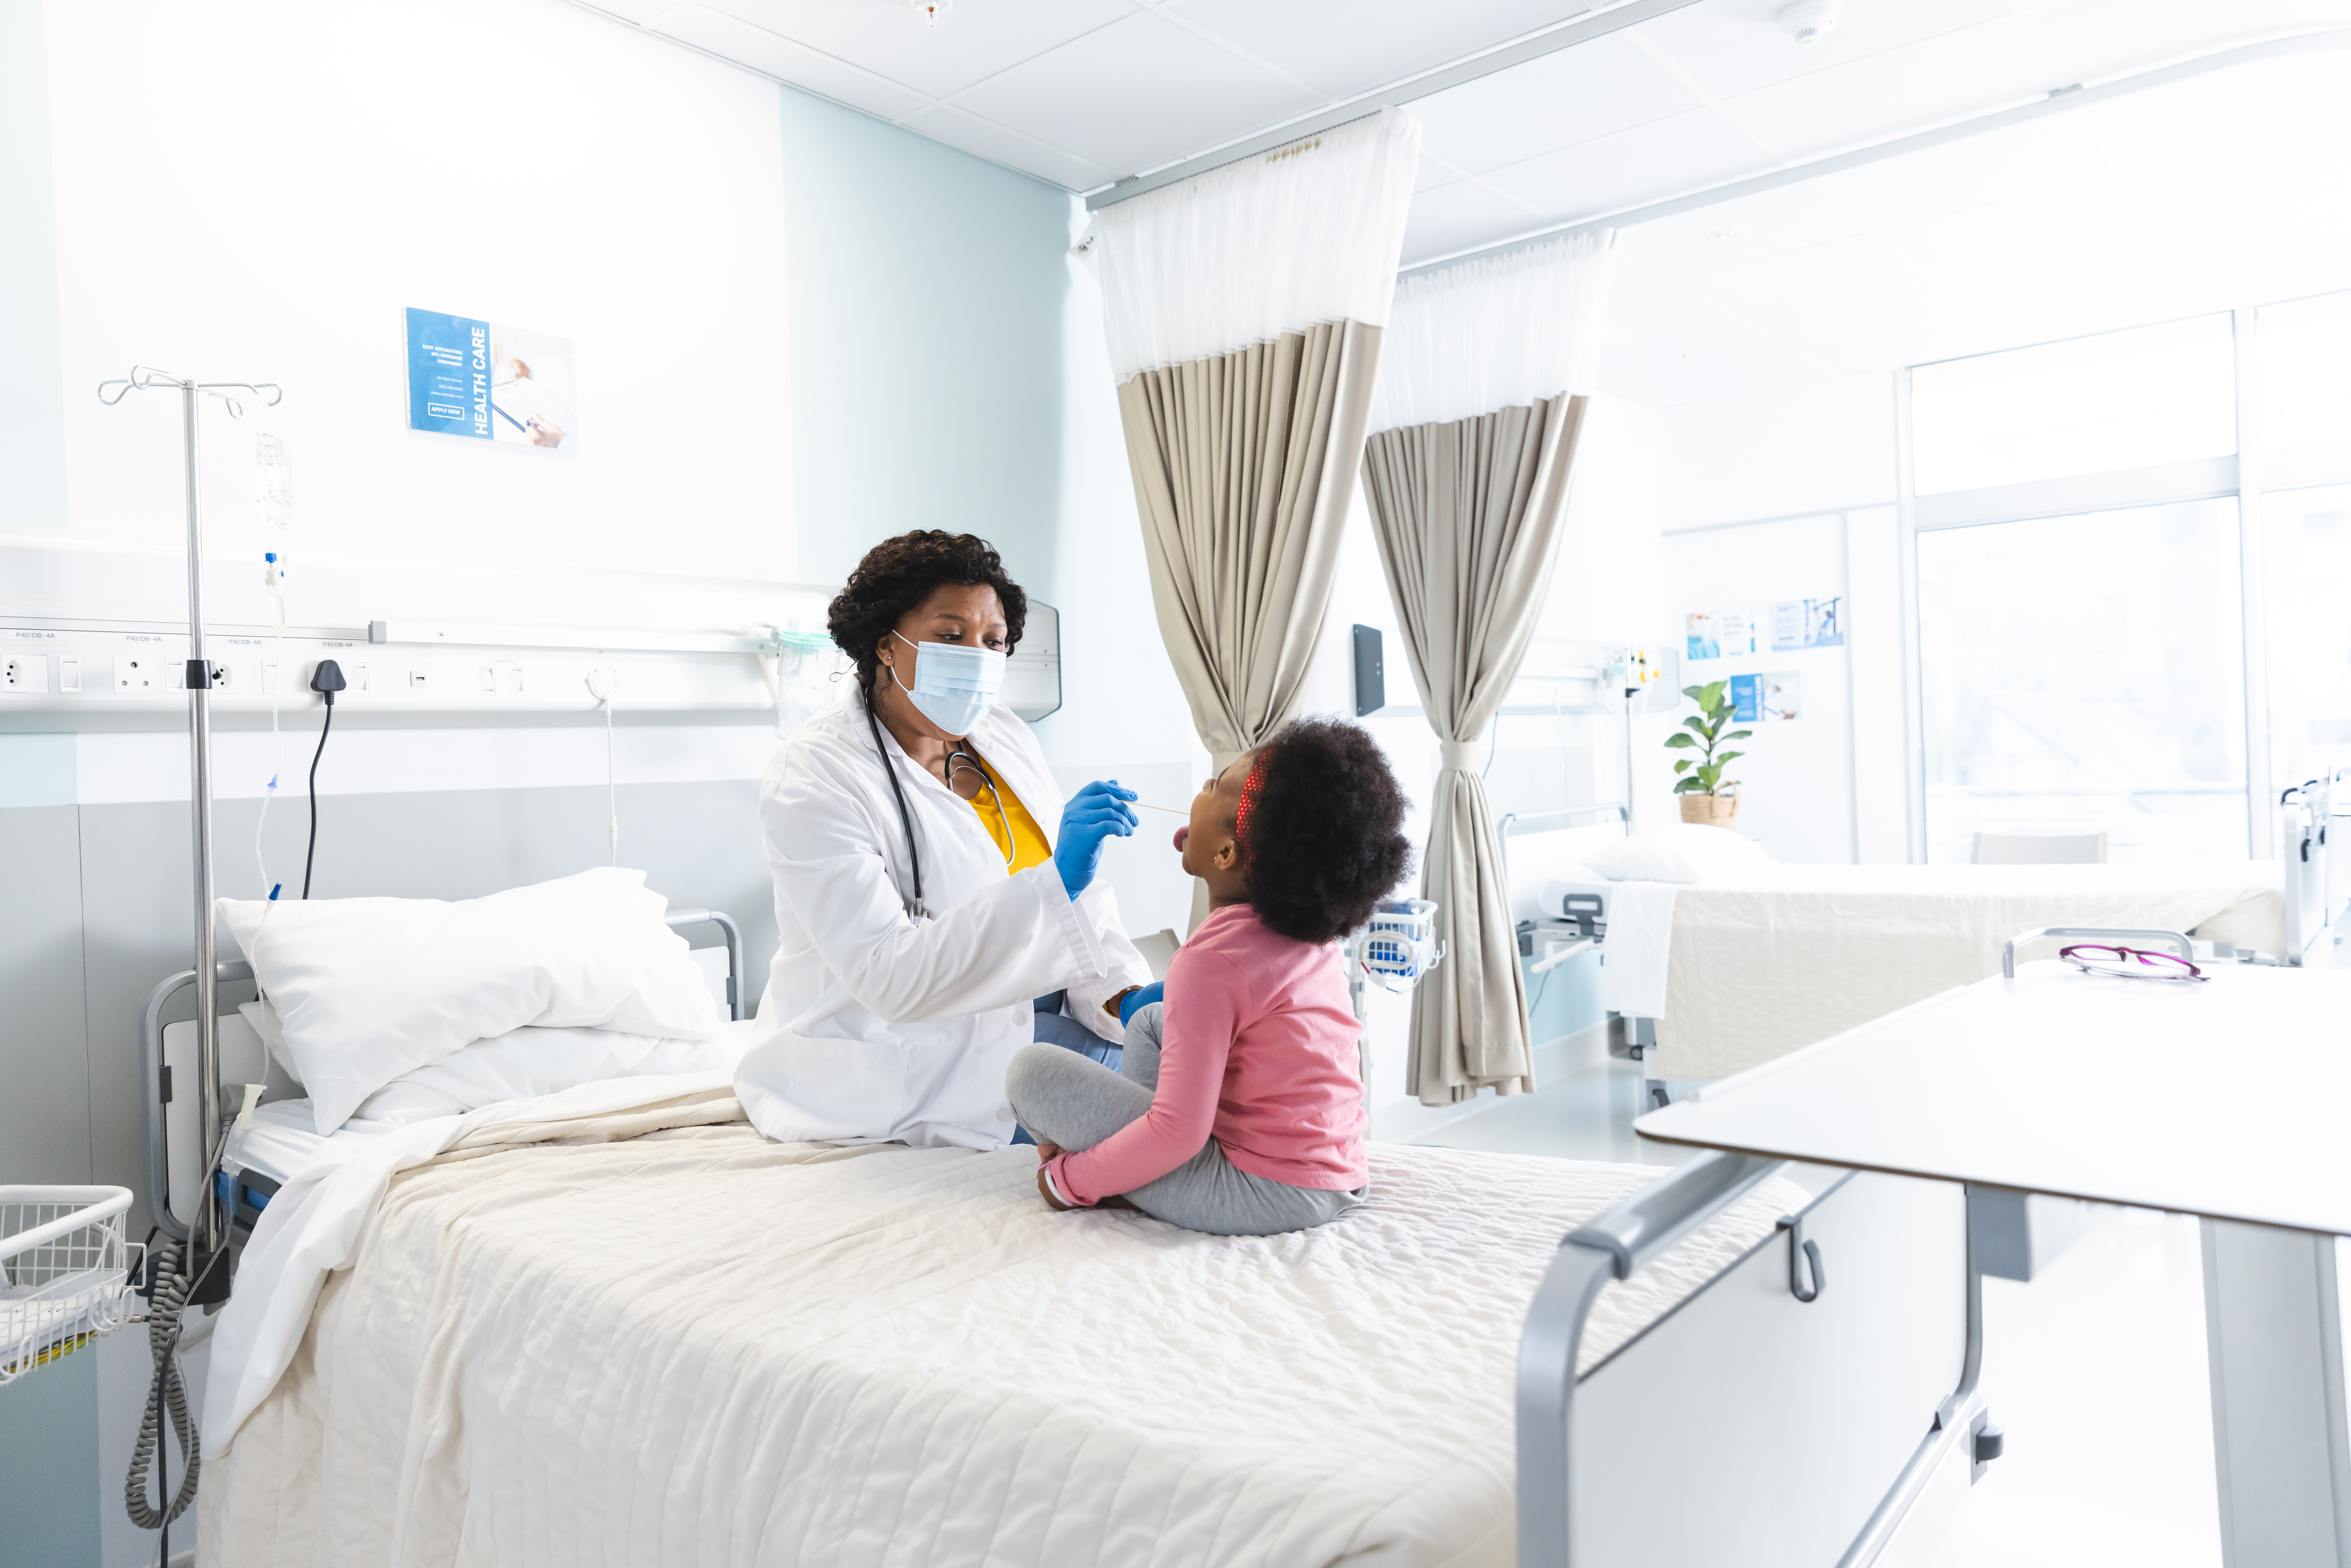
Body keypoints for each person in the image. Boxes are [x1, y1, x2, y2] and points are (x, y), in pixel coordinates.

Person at [733, 531, 1158, 1149]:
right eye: (950, 634)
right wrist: (1054, 882)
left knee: (1196, 1093)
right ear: (886, 642)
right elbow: (889, 978)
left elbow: (1082, 903)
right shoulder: (817, 773)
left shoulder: (1003, 735)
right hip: (899, 1067)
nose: (976, 657)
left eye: (993, 642)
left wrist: (1127, 999)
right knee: (1159, 1137)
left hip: (1026, 1030)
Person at [1005, 718, 1412, 1236]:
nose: (1200, 791)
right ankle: (1135, 1168)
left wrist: (1071, 1179)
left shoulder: (1210, 962)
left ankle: (1129, 1174)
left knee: (1031, 1072)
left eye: (1214, 786)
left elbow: (1179, 1133)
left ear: (1225, 855)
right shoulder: (1312, 937)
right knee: (1151, 1021)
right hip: (1335, 1175)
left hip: (1263, 1193)